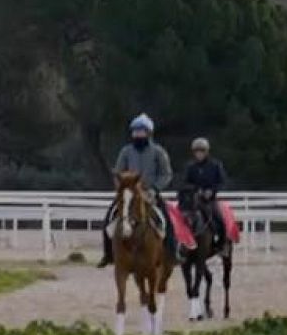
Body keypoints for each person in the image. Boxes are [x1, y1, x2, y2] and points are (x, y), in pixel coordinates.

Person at [98, 113, 176, 268]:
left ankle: (172, 252)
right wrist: (121, 188)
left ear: (148, 133)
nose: (137, 134)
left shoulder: (158, 152)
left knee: (168, 221)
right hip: (129, 193)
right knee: (108, 219)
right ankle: (108, 254)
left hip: (150, 194)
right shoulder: (126, 151)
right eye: (135, 131)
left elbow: (166, 174)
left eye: (141, 131)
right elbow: (118, 171)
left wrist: (154, 189)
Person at [179, 137, 229, 246]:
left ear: (206, 152)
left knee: (219, 219)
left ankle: (222, 244)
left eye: (201, 151)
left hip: (209, 200)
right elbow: (185, 183)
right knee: (181, 217)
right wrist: (196, 190)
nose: (199, 154)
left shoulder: (215, 165)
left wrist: (212, 191)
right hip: (193, 199)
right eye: (197, 151)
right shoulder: (190, 167)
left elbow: (222, 182)